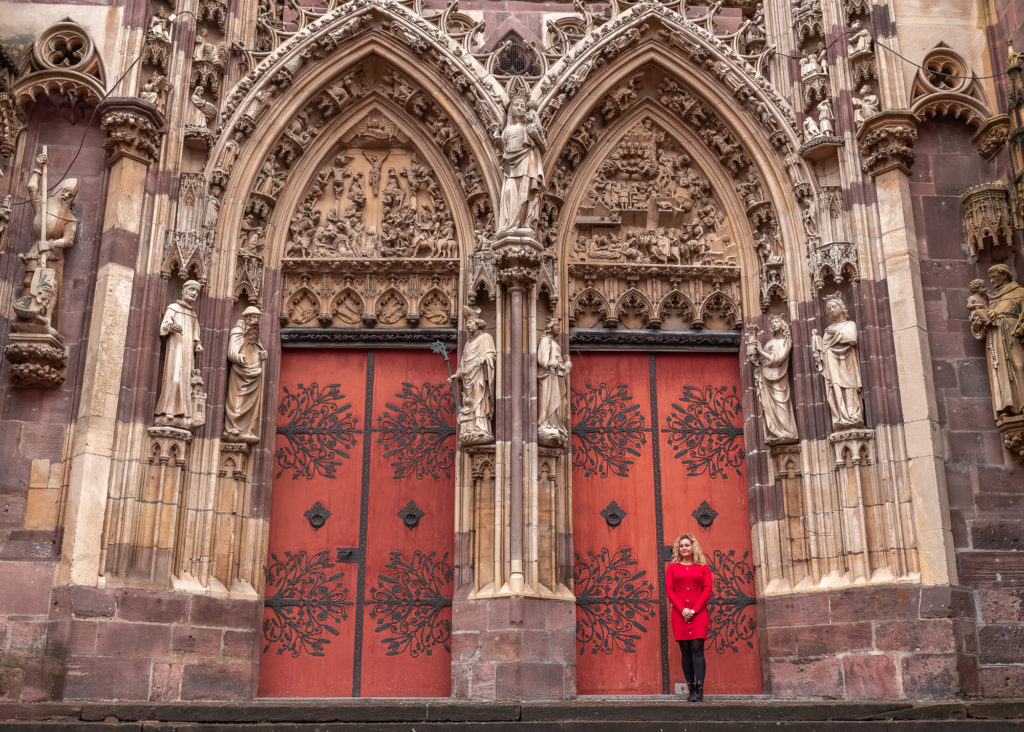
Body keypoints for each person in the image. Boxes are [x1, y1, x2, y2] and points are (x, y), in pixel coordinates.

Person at [666, 533, 713, 702]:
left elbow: (707, 590)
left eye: (687, 545)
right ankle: (690, 689)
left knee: (697, 649)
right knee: (685, 652)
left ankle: (699, 691)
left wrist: (693, 610)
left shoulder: (703, 567)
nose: (684, 548)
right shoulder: (672, 567)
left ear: (693, 547)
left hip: (699, 613)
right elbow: (670, 590)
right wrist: (682, 609)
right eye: (681, 546)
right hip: (679, 614)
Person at [155, 280, 204, 428]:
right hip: (176, 349)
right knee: (174, 378)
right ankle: (167, 410)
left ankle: (184, 413)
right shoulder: (173, 308)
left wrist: (198, 344)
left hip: (188, 353)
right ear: (183, 291)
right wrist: (170, 326)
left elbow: (196, 334)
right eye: (192, 290)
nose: (194, 293)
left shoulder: (193, 315)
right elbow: (164, 326)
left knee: (185, 382)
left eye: (197, 291)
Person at [497, 95, 546, 234]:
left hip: (527, 163)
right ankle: (508, 225)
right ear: (511, 109)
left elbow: (544, 147)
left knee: (524, 194)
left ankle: (523, 224)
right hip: (511, 167)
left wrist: (536, 135)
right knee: (508, 192)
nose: (519, 108)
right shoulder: (506, 130)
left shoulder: (528, 127)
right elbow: (501, 151)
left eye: (522, 105)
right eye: (516, 105)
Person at [449, 306, 496, 445]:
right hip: (468, 379)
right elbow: (462, 364)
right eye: (467, 325)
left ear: (477, 323)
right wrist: (457, 375)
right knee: (469, 402)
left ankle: (481, 427)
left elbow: (492, 354)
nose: (468, 327)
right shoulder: (468, 343)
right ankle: (470, 428)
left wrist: (484, 359)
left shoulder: (486, 338)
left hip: (480, 375)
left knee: (480, 400)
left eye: (469, 324)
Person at [223, 306, 267, 444]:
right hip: (240, 373)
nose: (256, 321)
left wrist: (263, 355)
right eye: (254, 317)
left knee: (251, 402)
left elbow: (256, 349)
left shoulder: (254, 334)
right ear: (246, 317)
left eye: (257, 318)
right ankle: (232, 428)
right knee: (237, 399)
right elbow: (233, 350)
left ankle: (248, 429)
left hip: (254, 372)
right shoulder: (237, 331)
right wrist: (237, 356)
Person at [537, 317, 572, 447]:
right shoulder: (546, 340)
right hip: (548, 376)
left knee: (558, 403)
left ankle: (555, 425)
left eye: (559, 325)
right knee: (548, 401)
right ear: (550, 327)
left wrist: (565, 366)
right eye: (556, 325)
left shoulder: (555, 342)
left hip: (556, 376)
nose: (559, 327)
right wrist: (549, 363)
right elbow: (542, 358)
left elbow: (557, 361)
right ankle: (545, 423)